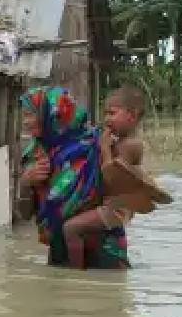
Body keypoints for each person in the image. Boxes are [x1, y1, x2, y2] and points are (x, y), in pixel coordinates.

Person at [19, 85, 128, 269]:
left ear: (53, 114)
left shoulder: (98, 145)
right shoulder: (36, 154)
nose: (25, 122)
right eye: (24, 115)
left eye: (29, 115)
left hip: (103, 252)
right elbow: (23, 215)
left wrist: (106, 153)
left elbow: (122, 201)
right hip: (59, 251)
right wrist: (25, 183)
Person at [59, 86, 148, 268]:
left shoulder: (132, 145)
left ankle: (75, 274)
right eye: (105, 113)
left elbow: (112, 174)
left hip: (116, 208)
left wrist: (105, 149)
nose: (106, 118)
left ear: (131, 116)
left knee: (70, 228)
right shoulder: (118, 141)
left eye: (112, 113)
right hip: (109, 203)